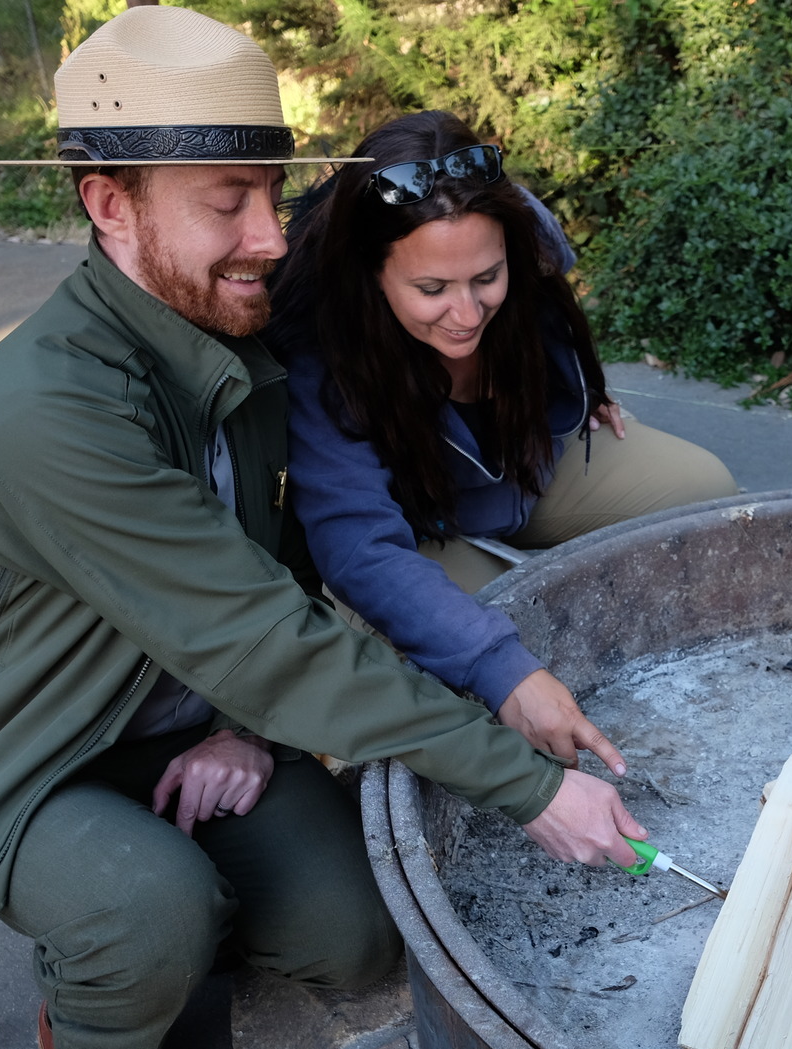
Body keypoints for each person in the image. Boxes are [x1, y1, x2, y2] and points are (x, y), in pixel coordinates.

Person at [0, 6, 644, 1049]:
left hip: (191, 713)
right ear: (108, 206)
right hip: (39, 754)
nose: (268, 235)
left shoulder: (223, 327)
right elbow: (260, 633)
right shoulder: (51, 406)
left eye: (274, 195)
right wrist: (526, 780)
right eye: (227, 202)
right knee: (152, 909)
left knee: (354, 938)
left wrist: (240, 726)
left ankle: (153, 909)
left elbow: (282, 559)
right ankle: (94, 1033)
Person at [265, 111, 739, 774]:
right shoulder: (324, 345)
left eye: (486, 278)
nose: (466, 314)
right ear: (373, 274)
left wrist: (579, 391)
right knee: (517, 641)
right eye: (431, 289)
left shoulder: (523, 244)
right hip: (415, 525)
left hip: (522, 468)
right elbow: (358, 549)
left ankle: (693, 667)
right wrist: (504, 668)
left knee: (709, 490)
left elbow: (555, 330)